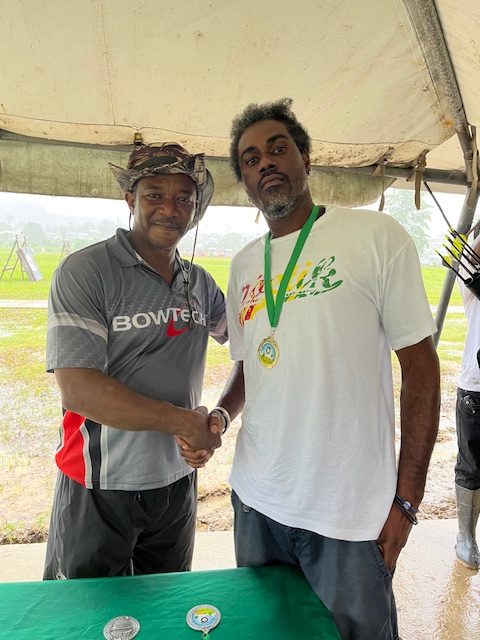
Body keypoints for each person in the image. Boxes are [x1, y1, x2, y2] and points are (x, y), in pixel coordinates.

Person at [182, 99, 440, 639]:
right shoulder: (244, 264)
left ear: (305, 157)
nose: (266, 163)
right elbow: (250, 365)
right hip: (258, 500)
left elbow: (420, 367)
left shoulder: (375, 237)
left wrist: (407, 501)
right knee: (272, 632)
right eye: (251, 159)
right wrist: (221, 417)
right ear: (244, 182)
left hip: (348, 510)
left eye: (278, 149)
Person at [44, 143, 227, 580]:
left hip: (177, 481)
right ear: (131, 199)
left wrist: (220, 416)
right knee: (88, 610)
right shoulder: (87, 271)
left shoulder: (199, 283)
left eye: (184, 197)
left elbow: (254, 349)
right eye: (154, 194)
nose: (170, 208)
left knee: (165, 606)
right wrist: (182, 420)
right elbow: (79, 389)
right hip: (99, 485)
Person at [454, 233, 480, 570]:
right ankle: (465, 537)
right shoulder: (473, 283)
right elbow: (470, 257)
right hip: (476, 388)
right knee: (471, 465)